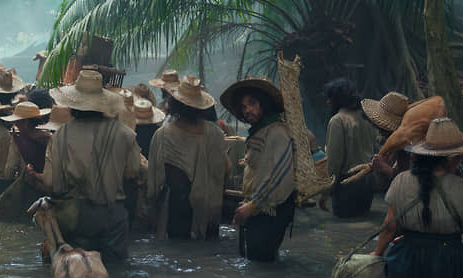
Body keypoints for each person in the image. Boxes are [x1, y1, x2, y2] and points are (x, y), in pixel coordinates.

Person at [370, 117, 463, 278]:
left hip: (408, 265)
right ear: (451, 158)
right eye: (460, 156)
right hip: (450, 265)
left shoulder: (400, 181)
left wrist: (376, 255)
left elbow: (389, 227)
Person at [27, 70, 141, 261]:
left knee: (77, 269)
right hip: (113, 216)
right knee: (118, 269)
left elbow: (52, 183)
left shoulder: (60, 136)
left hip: (75, 218)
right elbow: (133, 172)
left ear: (73, 104)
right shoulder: (125, 134)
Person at [220, 77, 295, 261]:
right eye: (244, 107)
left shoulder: (277, 132)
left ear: (264, 103)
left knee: (261, 263)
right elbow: (258, 172)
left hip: (270, 211)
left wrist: (252, 206)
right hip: (258, 208)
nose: (247, 110)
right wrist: (248, 204)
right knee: (257, 261)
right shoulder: (260, 131)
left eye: (252, 103)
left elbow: (279, 177)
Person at [147, 76, 228, 240]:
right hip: (209, 209)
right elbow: (225, 171)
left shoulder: (163, 135)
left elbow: (155, 180)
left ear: (174, 104)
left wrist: (152, 209)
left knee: (177, 248)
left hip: (176, 210)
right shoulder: (216, 134)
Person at [324, 78, 378, 218]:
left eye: (330, 98)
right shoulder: (366, 118)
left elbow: (334, 161)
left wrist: (327, 190)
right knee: (363, 219)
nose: (327, 102)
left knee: (342, 225)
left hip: (347, 184)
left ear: (337, 99)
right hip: (368, 182)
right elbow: (376, 147)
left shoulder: (337, 120)